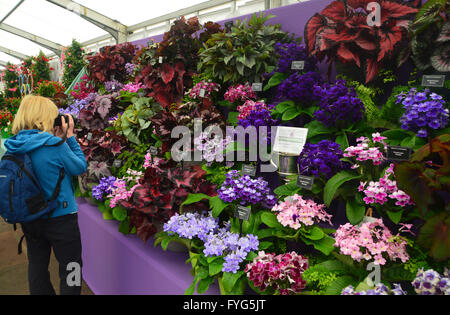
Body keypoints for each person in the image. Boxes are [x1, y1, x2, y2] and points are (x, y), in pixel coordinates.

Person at [4, 95, 87, 295]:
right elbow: (79, 167)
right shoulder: (53, 144)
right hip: (61, 219)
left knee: (37, 266)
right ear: (45, 117)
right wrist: (70, 137)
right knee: (71, 268)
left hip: (30, 218)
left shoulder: (14, 145)